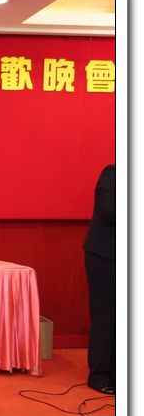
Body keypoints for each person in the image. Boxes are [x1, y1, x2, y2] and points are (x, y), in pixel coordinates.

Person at [83, 164, 115, 395]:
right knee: (107, 315)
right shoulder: (113, 173)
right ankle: (100, 375)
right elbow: (109, 211)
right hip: (106, 256)